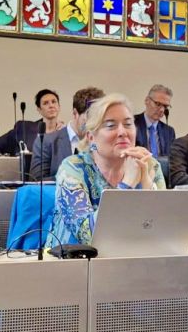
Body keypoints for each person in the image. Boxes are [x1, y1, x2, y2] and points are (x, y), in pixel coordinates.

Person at [46, 93, 165, 247]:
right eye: (111, 125)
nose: (123, 132)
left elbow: (162, 232)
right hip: (74, 263)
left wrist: (148, 191)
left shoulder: (149, 164)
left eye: (128, 124)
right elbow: (88, 236)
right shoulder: (72, 169)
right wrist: (127, 185)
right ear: (91, 138)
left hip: (131, 258)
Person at [30, 87, 105, 180]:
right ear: (75, 113)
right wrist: (72, 179)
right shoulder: (46, 142)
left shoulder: (103, 141)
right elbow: (37, 182)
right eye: (90, 119)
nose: (94, 125)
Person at [0, 89, 63, 155]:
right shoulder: (24, 129)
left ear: (59, 106)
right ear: (39, 109)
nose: (51, 106)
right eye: (45, 103)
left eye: (54, 102)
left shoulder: (66, 132)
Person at [134, 84, 176, 156]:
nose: (162, 110)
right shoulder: (132, 123)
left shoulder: (169, 131)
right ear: (147, 100)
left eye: (165, 106)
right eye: (158, 104)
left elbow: (171, 159)